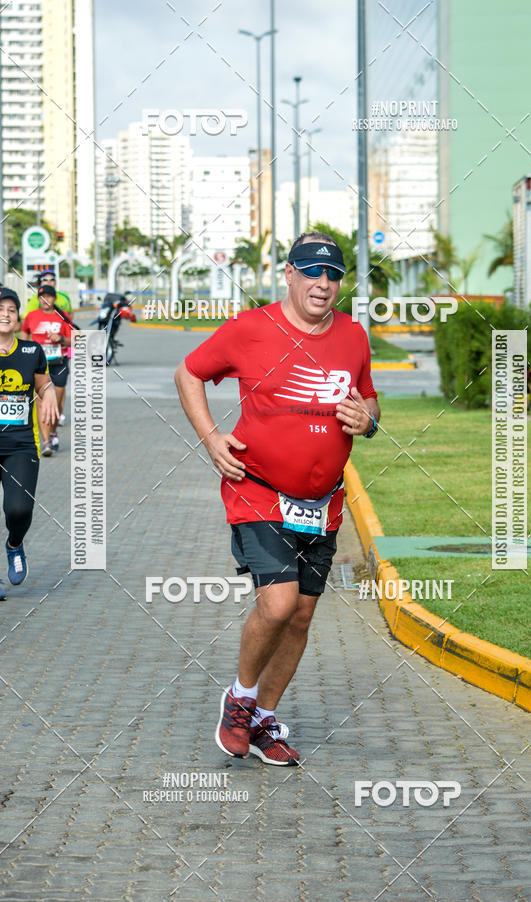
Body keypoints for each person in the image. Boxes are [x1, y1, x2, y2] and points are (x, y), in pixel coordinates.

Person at [175, 231, 380, 766]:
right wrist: (211, 439)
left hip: (324, 503)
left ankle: (263, 717)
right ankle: (239, 699)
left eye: (333, 274)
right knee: (280, 602)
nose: (323, 283)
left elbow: (369, 399)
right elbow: (189, 373)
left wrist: (370, 420)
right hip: (258, 491)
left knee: (303, 616)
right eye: (312, 272)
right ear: (288, 274)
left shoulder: (354, 337)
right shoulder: (251, 329)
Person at [0, 286, 59, 590]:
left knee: (19, 509)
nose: (5, 315)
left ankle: (14, 544)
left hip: (20, 445)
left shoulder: (30, 351)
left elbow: (45, 385)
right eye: (0, 310)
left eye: (10, 310)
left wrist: (48, 395)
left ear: (18, 317)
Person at [21, 285, 72, 456]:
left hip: (58, 362)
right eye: (42, 297)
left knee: (56, 403)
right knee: (41, 401)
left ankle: (52, 431)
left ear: (54, 299)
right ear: (38, 299)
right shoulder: (31, 316)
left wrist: (61, 338)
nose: (45, 300)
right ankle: (47, 443)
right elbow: (23, 334)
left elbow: (75, 340)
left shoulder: (63, 317)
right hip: (39, 365)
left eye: (49, 297)